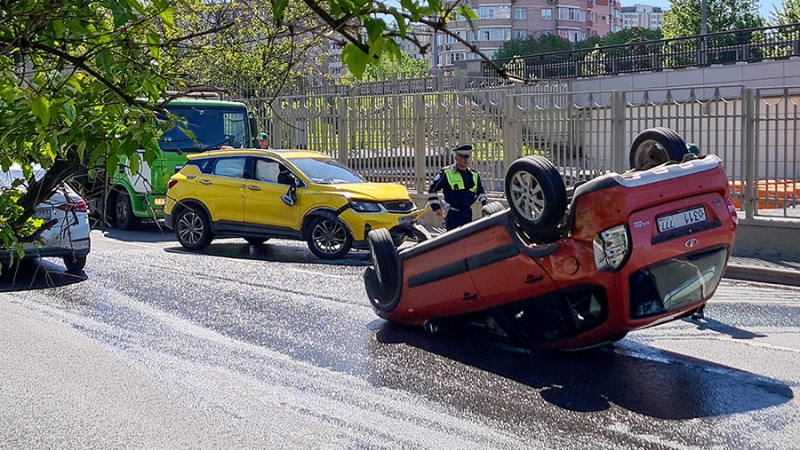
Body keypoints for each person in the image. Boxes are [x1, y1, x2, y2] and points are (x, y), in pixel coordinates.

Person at [427, 144, 488, 231]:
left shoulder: (474, 174)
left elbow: (480, 192)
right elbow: (432, 189)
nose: (465, 160)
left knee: (467, 239)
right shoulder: (447, 172)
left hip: (467, 213)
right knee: (453, 240)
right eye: (462, 157)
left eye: (467, 157)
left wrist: (485, 204)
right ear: (456, 158)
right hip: (453, 214)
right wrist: (436, 207)